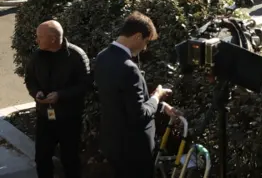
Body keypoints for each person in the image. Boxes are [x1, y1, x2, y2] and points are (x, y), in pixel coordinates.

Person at [94, 12, 179, 178]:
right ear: (138, 36)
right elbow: (139, 114)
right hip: (134, 149)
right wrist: (158, 96)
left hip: (113, 141)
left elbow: (121, 99)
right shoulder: (129, 68)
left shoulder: (102, 57)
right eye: (146, 42)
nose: (145, 48)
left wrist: (160, 106)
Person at [25, 20, 90, 178]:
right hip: (44, 116)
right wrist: (37, 93)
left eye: (40, 37)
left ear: (53, 39)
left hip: (69, 118)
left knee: (70, 159)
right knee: (42, 157)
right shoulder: (37, 55)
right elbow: (30, 79)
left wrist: (61, 95)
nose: (36, 40)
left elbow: (85, 85)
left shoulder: (76, 56)